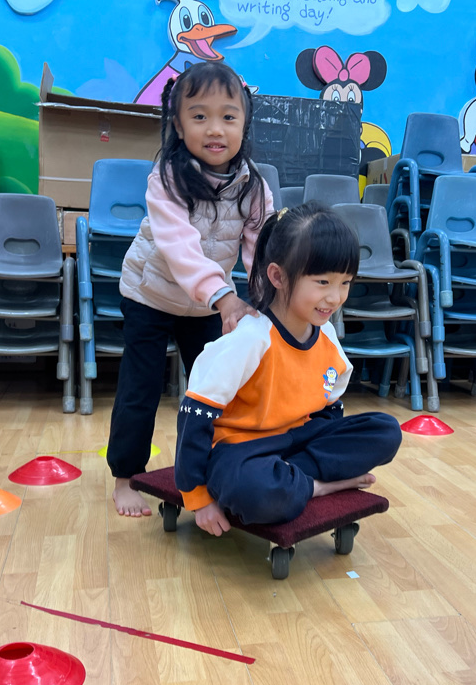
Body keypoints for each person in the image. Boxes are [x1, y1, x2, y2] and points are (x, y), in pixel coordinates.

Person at [174, 202, 403, 536]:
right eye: (323, 282)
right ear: (278, 276)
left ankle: (293, 479)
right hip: (240, 449)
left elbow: (329, 409)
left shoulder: (326, 334)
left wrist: (329, 447)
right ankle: (314, 485)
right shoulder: (250, 339)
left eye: (345, 283)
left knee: (385, 431)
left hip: (296, 441)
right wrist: (198, 499)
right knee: (256, 490)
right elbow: (194, 417)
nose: (335, 297)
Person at [110, 61, 274, 517]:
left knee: (212, 391)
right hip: (150, 295)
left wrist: (270, 303)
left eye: (228, 116)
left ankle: (205, 471)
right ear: (179, 127)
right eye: (199, 116)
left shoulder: (254, 187)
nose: (215, 128)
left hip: (205, 307)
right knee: (140, 390)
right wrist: (224, 297)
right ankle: (126, 478)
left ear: (244, 124)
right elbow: (179, 248)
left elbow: (262, 251)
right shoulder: (166, 179)